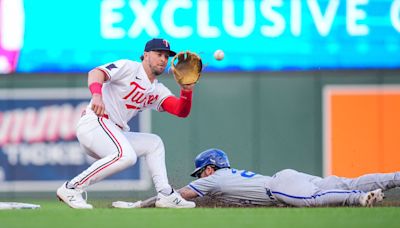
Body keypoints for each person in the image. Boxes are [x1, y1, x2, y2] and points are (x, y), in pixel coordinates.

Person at [57, 38, 196, 209]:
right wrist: (97, 96)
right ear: (146, 55)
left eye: (166, 56)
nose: (163, 59)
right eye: (159, 54)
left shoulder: (157, 89)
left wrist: (186, 90)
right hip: (95, 124)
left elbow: (180, 111)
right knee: (127, 156)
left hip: (111, 133)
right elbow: (95, 73)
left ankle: (165, 194)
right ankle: (71, 188)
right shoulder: (129, 67)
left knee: (154, 143)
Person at [113, 148, 400, 208]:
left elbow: (172, 196)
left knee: (313, 200)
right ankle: (395, 178)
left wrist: (139, 205)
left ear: (209, 169)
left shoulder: (213, 180)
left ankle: (359, 199)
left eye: (201, 172)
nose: (200, 177)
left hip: (280, 187)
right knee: (343, 181)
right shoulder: (227, 177)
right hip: (286, 179)